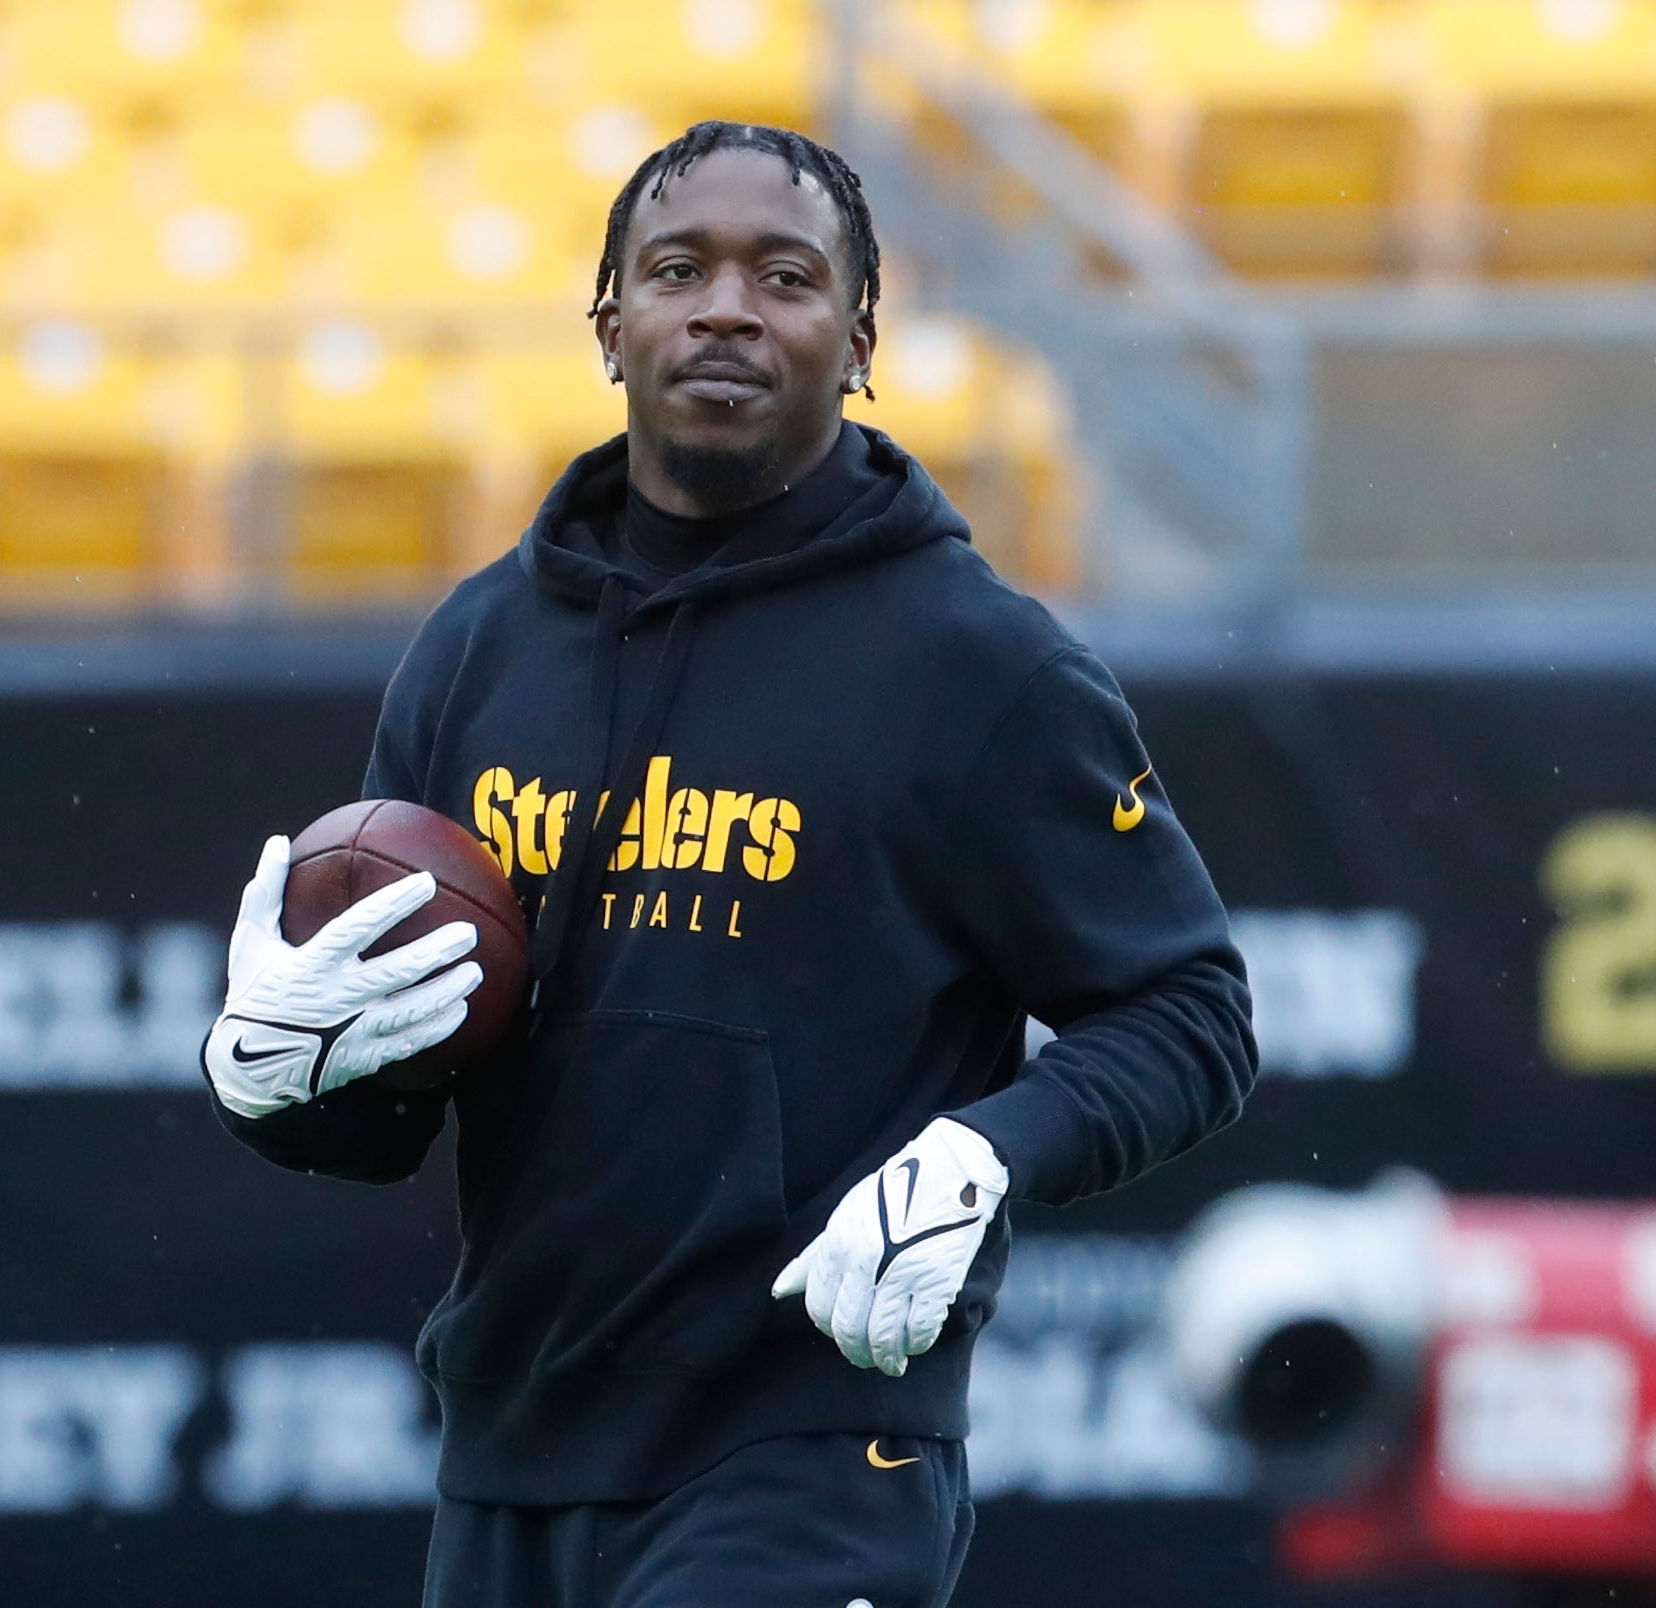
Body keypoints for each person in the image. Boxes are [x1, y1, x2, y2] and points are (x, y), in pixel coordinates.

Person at [202, 121, 1258, 1608]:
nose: (726, 308)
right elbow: (390, 1119)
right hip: (512, 1451)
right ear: (608, 323)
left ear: (861, 335)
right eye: (679, 269)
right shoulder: (475, 650)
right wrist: (277, 1076)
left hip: (809, 1453)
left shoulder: (979, 665)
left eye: (786, 275)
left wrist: (984, 1152)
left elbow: (1191, 1013)